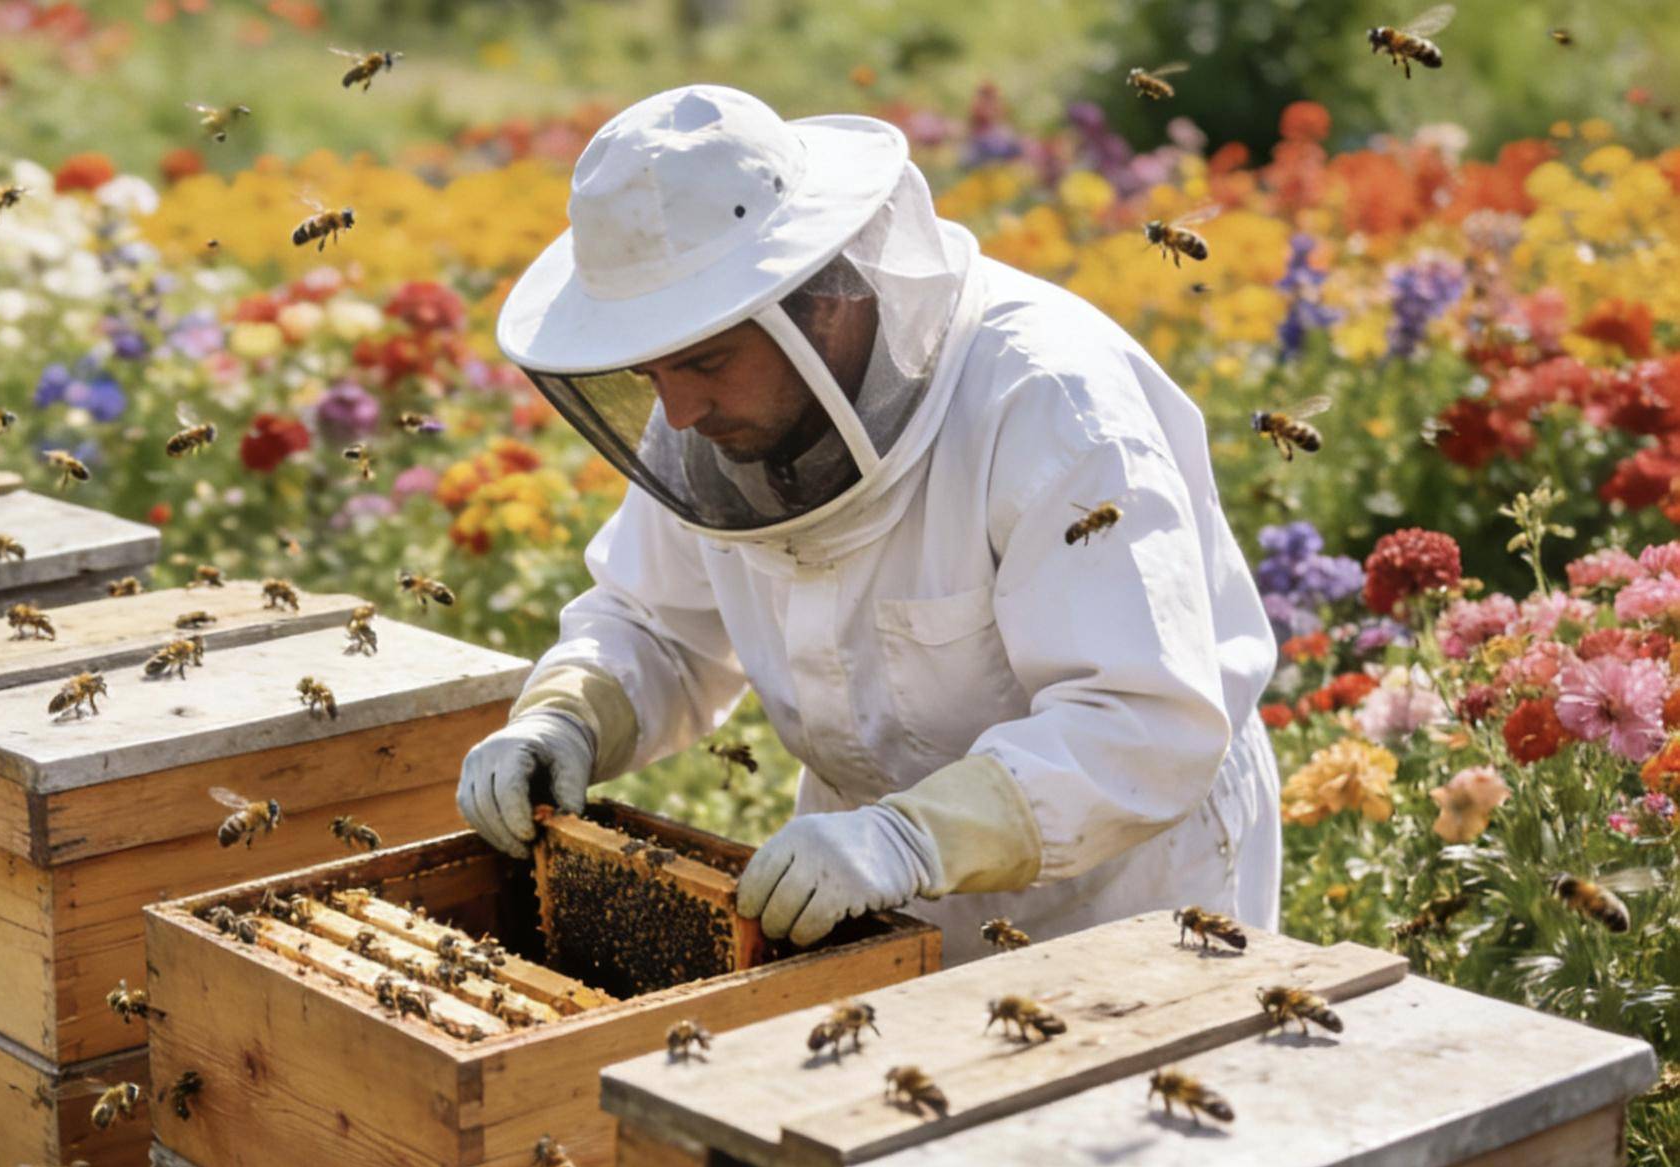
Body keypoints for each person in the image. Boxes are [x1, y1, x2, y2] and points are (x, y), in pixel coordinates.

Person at [455, 84, 1280, 955]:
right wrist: (566, 715)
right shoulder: (711, 418)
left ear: (822, 302)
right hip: (865, 875)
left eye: (706, 362)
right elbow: (656, 624)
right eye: (649, 374)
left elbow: (1141, 723)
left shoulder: (1051, 405)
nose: (680, 411)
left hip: (1122, 892)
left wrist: (908, 839)